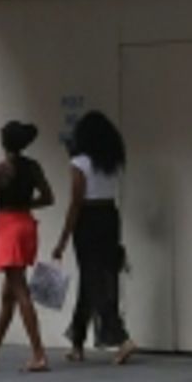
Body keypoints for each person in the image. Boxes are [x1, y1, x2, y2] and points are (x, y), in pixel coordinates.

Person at [0, 119, 55, 371]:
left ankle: (39, 354)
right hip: (26, 223)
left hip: (7, 227)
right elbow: (48, 197)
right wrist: (26, 205)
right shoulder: (33, 167)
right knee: (8, 295)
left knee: (19, 290)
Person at [51, 110, 135, 364]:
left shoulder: (79, 163)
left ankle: (121, 338)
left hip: (88, 220)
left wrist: (62, 239)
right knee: (97, 278)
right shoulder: (110, 162)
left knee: (93, 279)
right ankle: (77, 342)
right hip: (110, 217)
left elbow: (76, 202)